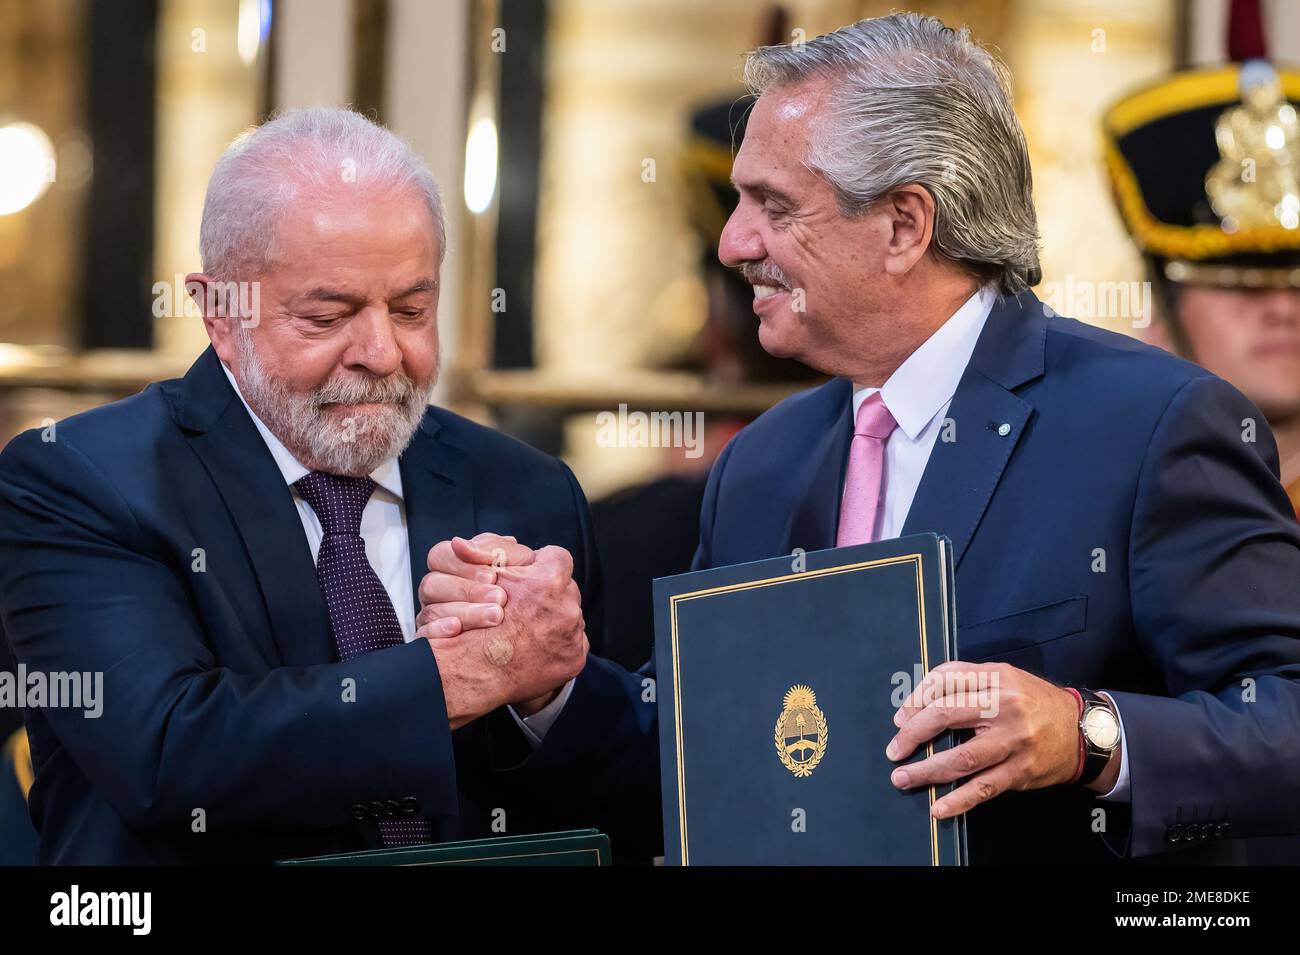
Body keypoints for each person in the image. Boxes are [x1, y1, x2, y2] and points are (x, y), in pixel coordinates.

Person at [426, 13, 1300, 863]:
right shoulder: (763, 463)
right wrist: (549, 682)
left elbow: (1284, 719)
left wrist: (1088, 733)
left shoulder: (1152, 423)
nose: (734, 243)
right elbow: (694, 759)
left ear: (904, 226)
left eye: (773, 204)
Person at [0, 108, 657, 864]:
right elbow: (168, 755)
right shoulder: (81, 478)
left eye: (412, 308)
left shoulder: (527, 488)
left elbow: (628, 805)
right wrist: (458, 675)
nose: (382, 352)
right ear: (219, 312)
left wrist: (549, 693)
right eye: (328, 315)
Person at [1104, 50, 1300, 864]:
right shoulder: (1103, 500)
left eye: (1297, 275)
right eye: (1239, 277)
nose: (1282, 304)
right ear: (1161, 307)